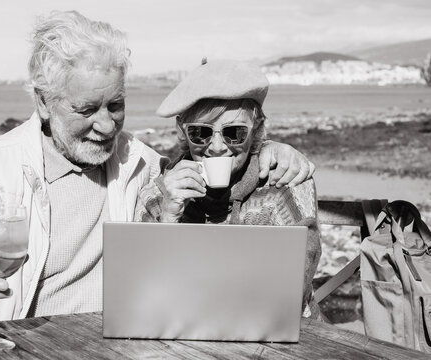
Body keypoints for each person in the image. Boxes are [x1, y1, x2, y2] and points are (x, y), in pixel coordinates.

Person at [0, 11, 317, 329]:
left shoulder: (138, 162)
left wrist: (271, 148)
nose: (107, 125)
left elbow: (213, 160)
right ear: (44, 102)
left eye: (116, 105)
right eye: (87, 109)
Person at [135, 59, 322, 318]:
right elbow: (140, 289)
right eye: (200, 132)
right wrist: (168, 218)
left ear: (256, 130)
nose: (217, 147)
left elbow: (296, 281)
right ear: (182, 131)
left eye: (234, 133)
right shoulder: (160, 193)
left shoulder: (284, 179)